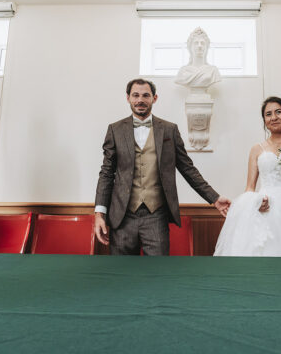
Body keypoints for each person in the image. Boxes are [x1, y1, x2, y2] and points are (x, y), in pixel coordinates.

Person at [94, 78, 231, 255]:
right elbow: (106, 173)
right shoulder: (115, 130)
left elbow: (188, 169)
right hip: (122, 216)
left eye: (145, 95)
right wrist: (99, 213)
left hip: (156, 216)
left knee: (158, 273)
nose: (140, 100)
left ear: (154, 98)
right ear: (128, 98)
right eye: (135, 95)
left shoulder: (169, 130)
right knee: (122, 274)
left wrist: (214, 198)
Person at [214, 96, 281, 257]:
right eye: (268, 114)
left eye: (278, 112)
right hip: (266, 209)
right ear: (264, 120)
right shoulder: (257, 149)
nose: (274, 117)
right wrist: (255, 203)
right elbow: (249, 187)